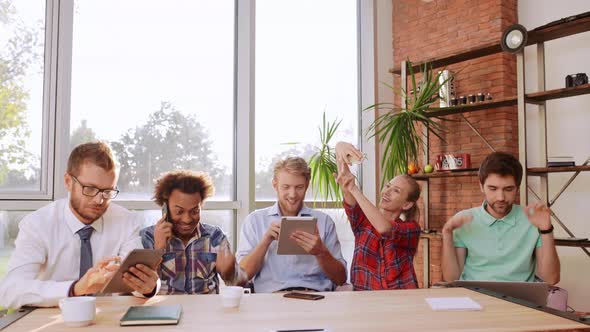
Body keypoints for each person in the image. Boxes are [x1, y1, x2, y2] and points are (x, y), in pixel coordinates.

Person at [0, 142, 159, 308]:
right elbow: (9, 291)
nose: (99, 200)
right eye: (90, 189)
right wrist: (75, 289)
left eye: (108, 191)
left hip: (107, 319)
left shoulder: (126, 221)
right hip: (51, 318)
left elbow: (138, 280)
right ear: (68, 182)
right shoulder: (37, 224)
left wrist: (149, 287)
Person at [441, 151, 560, 284]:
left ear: (517, 188)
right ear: (481, 186)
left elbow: (551, 280)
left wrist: (546, 230)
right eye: (493, 189)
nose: (501, 198)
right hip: (476, 298)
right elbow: (451, 279)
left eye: (508, 189)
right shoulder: (465, 219)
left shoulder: (532, 219)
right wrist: (447, 233)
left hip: (520, 300)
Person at [237, 157, 347, 293]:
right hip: (270, 300)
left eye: (299, 187)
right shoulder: (254, 221)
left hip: (315, 298)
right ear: (275, 185)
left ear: (307, 185)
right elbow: (240, 278)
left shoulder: (324, 221)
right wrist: (266, 241)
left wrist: (321, 252)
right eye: (286, 187)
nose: (292, 194)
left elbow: (341, 279)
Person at [141, 170, 246, 294]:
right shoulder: (148, 237)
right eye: (179, 212)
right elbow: (143, 289)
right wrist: (158, 249)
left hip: (205, 310)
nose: (187, 219)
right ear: (165, 208)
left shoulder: (214, 236)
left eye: (194, 211)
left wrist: (229, 271)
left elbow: (240, 283)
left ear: (201, 205)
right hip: (163, 310)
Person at [334, 142, 422, 290]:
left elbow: (384, 228)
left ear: (407, 205)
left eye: (396, 191)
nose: (387, 192)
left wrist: (354, 189)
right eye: (388, 186)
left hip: (401, 300)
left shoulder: (411, 229)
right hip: (364, 299)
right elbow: (346, 182)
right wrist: (340, 149)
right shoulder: (362, 221)